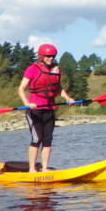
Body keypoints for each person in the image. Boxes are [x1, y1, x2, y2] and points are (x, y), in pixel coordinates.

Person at [17, 44, 75, 173]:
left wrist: (67, 98)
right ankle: (32, 170)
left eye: (52, 56)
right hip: (34, 110)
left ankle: (44, 169)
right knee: (37, 139)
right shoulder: (32, 69)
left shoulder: (56, 70)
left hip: (49, 108)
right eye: (48, 56)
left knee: (48, 140)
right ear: (41, 56)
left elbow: (58, 88)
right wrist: (27, 103)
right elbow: (21, 89)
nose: (50, 58)